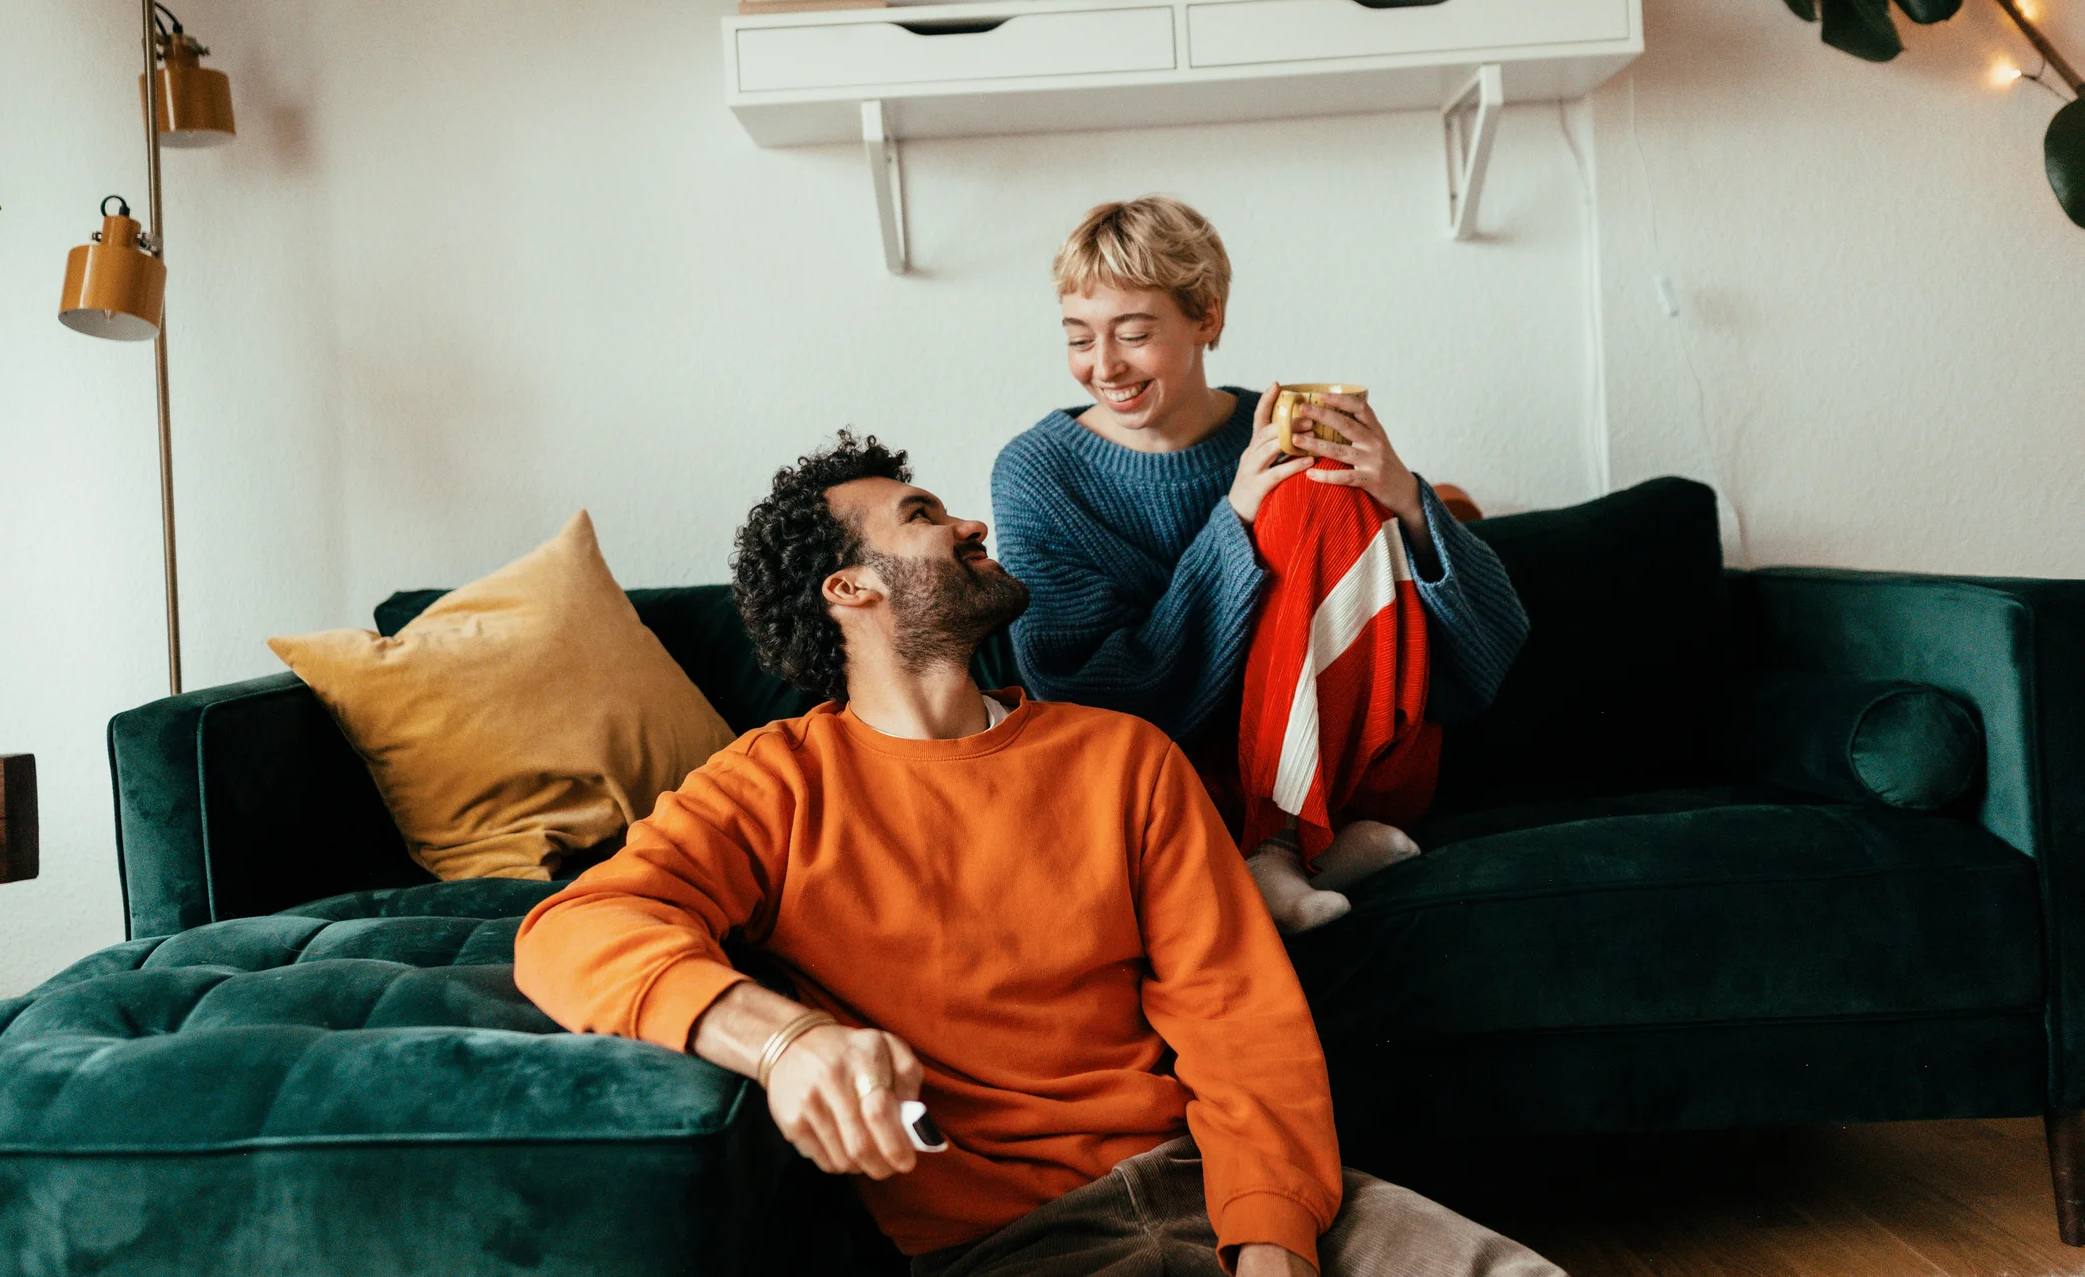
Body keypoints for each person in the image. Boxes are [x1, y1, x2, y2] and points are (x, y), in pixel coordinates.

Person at [512, 433, 1560, 1277]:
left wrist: (1275, 1242)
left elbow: (1241, 1020)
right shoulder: (775, 782)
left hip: (1240, 1195)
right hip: (1008, 1246)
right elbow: (573, 927)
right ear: (851, 590)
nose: (972, 520)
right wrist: (785, 1043)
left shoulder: (1121, 757)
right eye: (923, 516)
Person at [991, 197, 1530, 931]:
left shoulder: (1279, 430)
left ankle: (1285, 843)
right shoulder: (1036, 473)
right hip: (1179, 781)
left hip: (1355, 762)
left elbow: (1494, 643)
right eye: (1078, 337)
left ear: (1205, 318)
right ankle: (1289, 845)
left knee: (1316, 479)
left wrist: (1403, 495)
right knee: (1295, 483)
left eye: (1134, 333)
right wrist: (1234, 519)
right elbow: (1086, 694)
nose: (1103, 365)